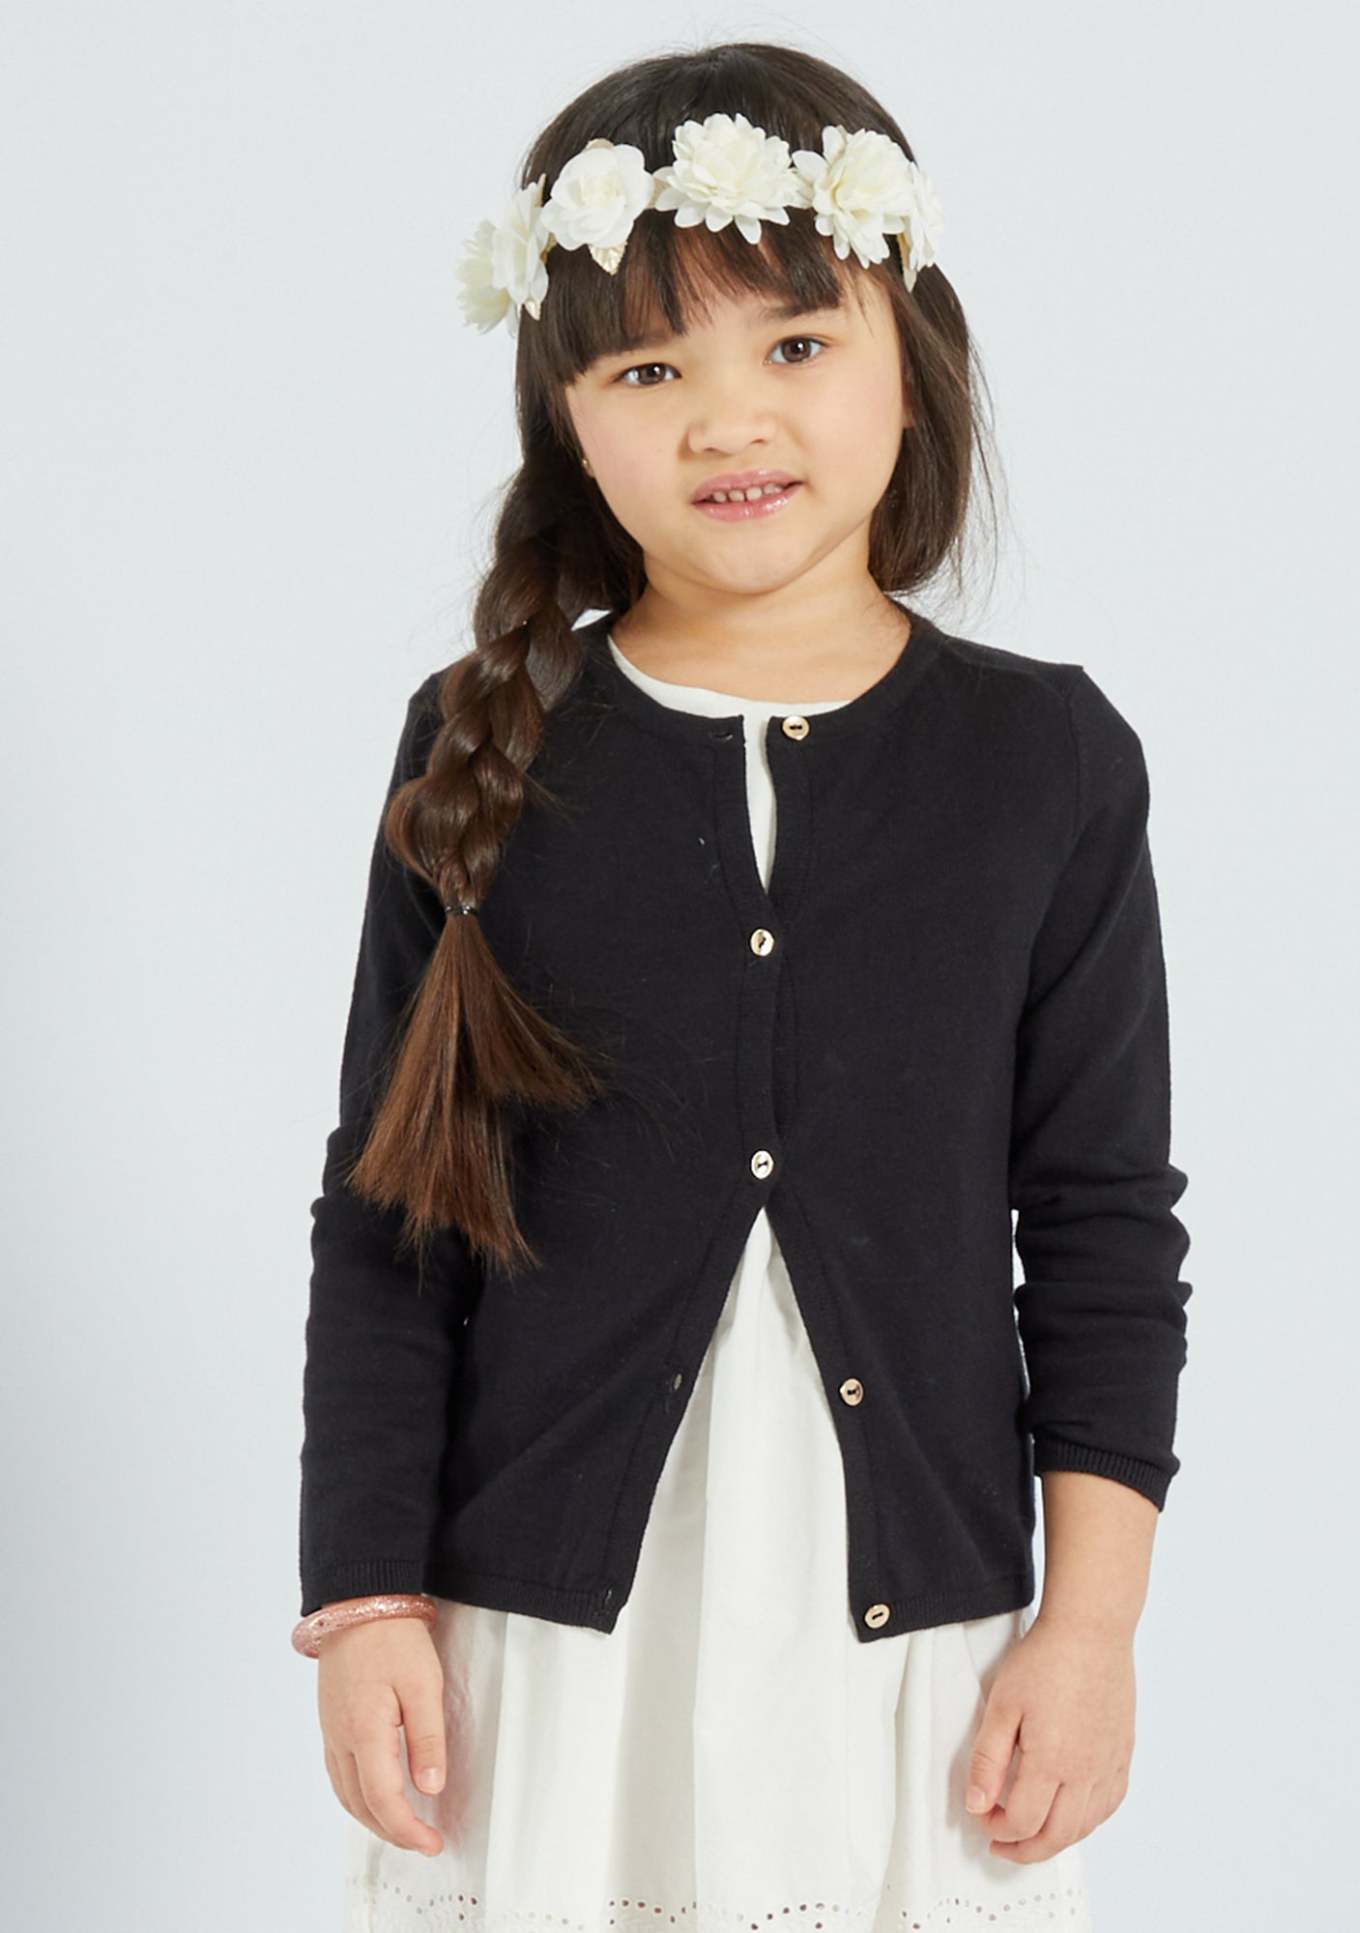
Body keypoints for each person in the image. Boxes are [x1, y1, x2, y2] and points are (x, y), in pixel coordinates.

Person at [294, 38, 1193, 1933]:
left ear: (907, 354)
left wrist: (1087, 1631)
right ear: (567, 418)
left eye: (792, 343)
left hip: (911, 1644)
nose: (728, 421)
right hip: (550, 1643)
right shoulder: (480, 747)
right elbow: (389, 1221)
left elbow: (1100, 1224)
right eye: (648, 371)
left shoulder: (1041, 762)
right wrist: (365, 1599)